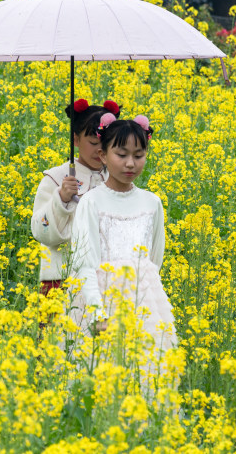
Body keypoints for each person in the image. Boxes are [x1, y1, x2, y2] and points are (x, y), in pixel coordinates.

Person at [68, 113, 177, 362]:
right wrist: (97, 314)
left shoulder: (153, 203)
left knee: (147, 375)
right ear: (103, 155)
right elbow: (84, 262)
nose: (130, 163)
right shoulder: (91, 202)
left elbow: (154, 260)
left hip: (144, 304)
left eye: (139, 156)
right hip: (102, 303)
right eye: (121, 155)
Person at [31, 98, 121, 295]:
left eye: (107, 143)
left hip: (106, 281)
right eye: (93, 143)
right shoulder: (55, 179)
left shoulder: (117, 179)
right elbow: (39, 231)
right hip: (60, 280)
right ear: (75, 140)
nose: (100, 150)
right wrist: (61, 199)